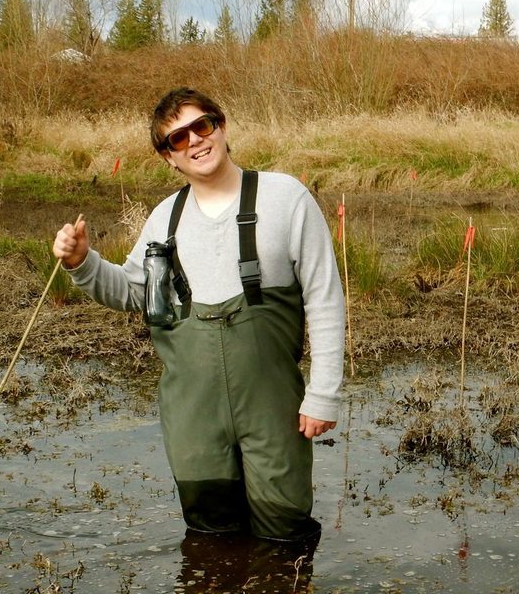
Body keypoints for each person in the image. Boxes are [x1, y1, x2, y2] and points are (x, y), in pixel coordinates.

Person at [53, 87, 345, 542]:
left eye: (202, 126)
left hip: (274, 411)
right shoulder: (163, 219)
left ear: (222, 127)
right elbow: (133, 293)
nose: (194, 141)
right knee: (210, 541)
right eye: (177, 138)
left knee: (284, 533)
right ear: (168, 156)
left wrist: (323, 392)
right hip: (192, 415)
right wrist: (81, 262)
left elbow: (324, 298)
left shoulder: (286, 198)